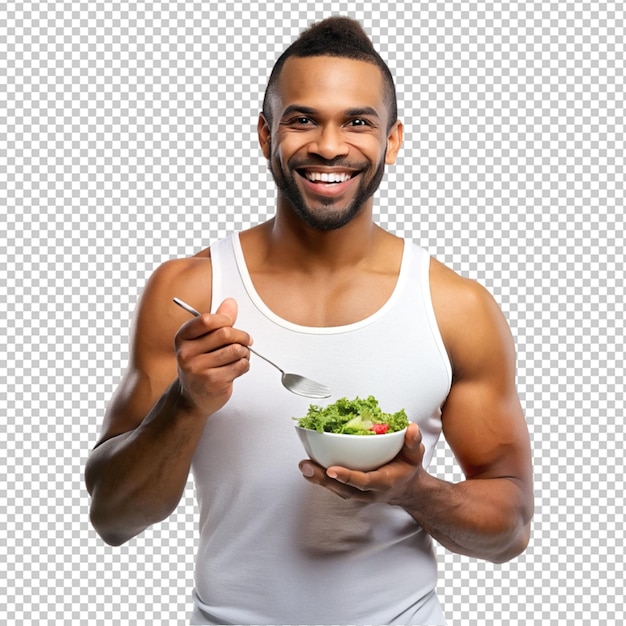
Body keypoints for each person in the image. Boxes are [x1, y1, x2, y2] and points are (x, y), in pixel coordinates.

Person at [85, 16, 533, 625]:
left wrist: (412, 490)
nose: (328, 145)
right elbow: (113, 517)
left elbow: (509, 531)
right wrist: (186, 403)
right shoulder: (189, 289)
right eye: (302, 119)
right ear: (265, 133)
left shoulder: (456, 306)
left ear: (393, 141)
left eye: (356, 121)